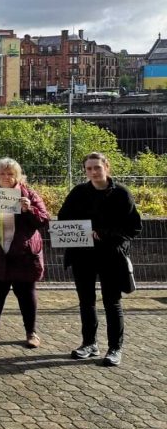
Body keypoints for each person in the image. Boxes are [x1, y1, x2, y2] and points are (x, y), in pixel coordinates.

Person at [58, 151, 142, 367]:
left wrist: (105, 233)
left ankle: (115, 348)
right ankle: (89, 344)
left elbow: (134, 227)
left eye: (97, 167)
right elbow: (63, 217)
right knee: (86, 301)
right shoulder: (78, 192)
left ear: (107, 167)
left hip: (110, 256)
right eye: (89, 168)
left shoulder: (122, 194)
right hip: (82, 256)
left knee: (111, 302)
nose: (94, 172)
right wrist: (81, 228)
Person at [0, 158, 48, 348]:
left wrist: (29, 210)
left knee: (27, 295)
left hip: (23, 254)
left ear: (17, 176)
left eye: (10, 173)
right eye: (2, 173)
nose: (6, 177)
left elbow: (44, 220)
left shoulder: (29, 194)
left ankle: (31, 332)